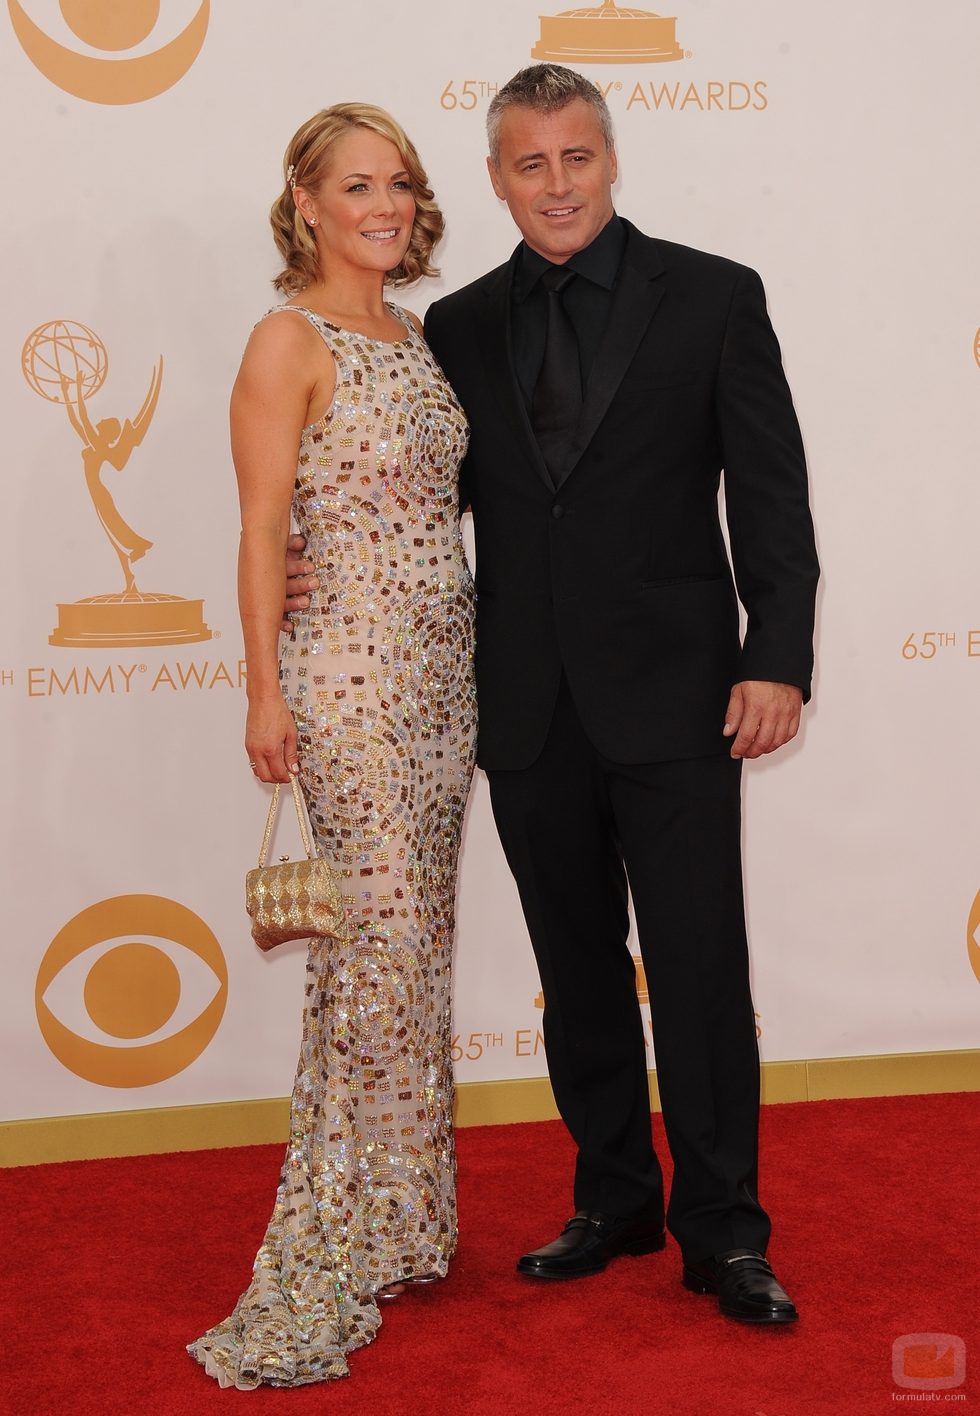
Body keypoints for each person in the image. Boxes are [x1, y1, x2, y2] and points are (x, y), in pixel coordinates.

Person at [286, 64, 819, 1327]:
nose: (557, 183)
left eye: (575, 156)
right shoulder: (455, 327)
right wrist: (317, 553)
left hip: (685, 696)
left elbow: (773, 492)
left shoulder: (711, 294)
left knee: (695, 967)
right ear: (493, 180)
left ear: (610, 158)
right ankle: (615, 1198)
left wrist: (776, 654)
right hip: (521, 702)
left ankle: (723, 1231)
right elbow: (413, 492)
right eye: (529, 163)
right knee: (576, 969)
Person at [189, 104, 476, 1389]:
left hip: (440, 681)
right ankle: (335, 1231)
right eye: (355, 184)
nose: (383, 204)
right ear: (303, 201)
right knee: (369, 951)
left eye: (399, 184)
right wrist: (264, 692)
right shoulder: (284, 339)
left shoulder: (413, 337)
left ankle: (401, 1217)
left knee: (416, 948)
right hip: (347, 683)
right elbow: (260, 531)